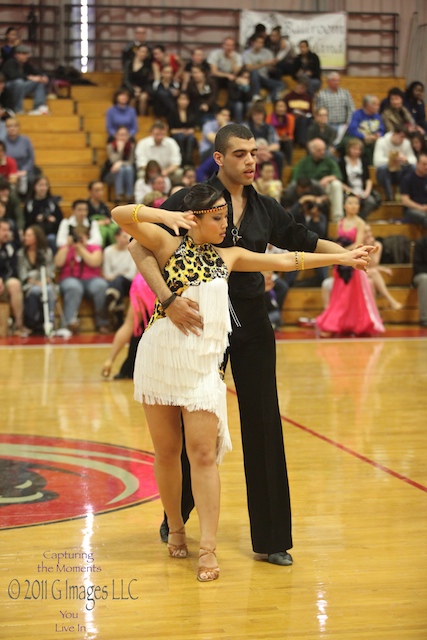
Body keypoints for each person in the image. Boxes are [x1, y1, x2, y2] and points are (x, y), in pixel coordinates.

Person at [125, 124, 375, 569]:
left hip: (251, 321)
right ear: (219, 159)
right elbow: (137, 245)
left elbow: (300, 245)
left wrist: (348, 252)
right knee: (189, 423)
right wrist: (168, 299)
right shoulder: (192, 199)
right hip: (196, 323)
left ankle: (272, 537)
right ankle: (176, 518)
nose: (250, 161)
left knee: (263, 421)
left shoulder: (267, 208)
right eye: (240, 153)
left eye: (254, 153)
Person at [316, 194, 384, 337]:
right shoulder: (340, 222)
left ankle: (357, 325)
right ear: (344, 206)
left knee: (353, 297)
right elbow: (337, 241)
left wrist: (342, 251)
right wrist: (339, 252)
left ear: (359, 207)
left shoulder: (360, 223)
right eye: (350, 203)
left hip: (353, 262)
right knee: (339, 296)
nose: (353, 205)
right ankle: (337, 324)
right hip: (340, 263)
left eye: (356, 203)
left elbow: (358, 244)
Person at [54, 224, 109, 334]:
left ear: (87, 237)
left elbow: (94, 262)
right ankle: (68, 323)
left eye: (81, 237)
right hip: (69, 278)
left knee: (101, 285)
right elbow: (58, 263)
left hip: (91, 279)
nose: (78, 239)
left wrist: (81, 248)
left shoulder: (94, 248)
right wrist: (67, 246)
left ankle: (102, 322)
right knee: (74, 286)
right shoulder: (66, 248)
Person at [101, 272, 156, 379]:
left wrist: (110, 359)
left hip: (142, 280)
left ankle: (109, 360)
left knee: (130, 324)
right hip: (163, 279)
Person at [291, 138, 344, 221]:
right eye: (319, 150)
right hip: (310, 190)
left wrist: (328, 178)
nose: (322, 152)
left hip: (325, 189)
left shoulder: (329, 161)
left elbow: (338, 175)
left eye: (323, 150)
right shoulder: (304, 162)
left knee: (336, 184)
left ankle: (338, 218)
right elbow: (296, 179)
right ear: (312, 150)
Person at [17, 224, 55, 333]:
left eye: (29, 235)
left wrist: (44, 282)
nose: (25, 238)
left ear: (37, 237)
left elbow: (50, 272)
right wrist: (36, 282)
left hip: (45, 282)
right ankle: (32, 322)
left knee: (48, 291)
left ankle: (50, 322)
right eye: (25, 235)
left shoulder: (46, 252)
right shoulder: (21, 254)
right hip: (30, 284)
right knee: (33, 291)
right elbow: (23, 275)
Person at [339, 137, 380, 219]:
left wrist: (366, 192)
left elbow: (368, 179)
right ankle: (347, 219)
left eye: (359, 149)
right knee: (347, 201)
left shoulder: (364, 161)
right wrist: (352, 193)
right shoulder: (342, 162)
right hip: (348, 191)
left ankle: (359, 219)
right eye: (354, 149)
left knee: (371, 201)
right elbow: (340, 182)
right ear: (348, 149)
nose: (357, 151)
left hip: (362, 191)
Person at [2, 44, 49, 115]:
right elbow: (13, 75)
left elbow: (36, 71)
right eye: (24, 54)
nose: (26, 56)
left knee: (38, 82)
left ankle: (39, 107)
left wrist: (42, 77)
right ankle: (17, 109)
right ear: (16, 54)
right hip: (8, 88)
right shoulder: (9, 63)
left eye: (27, 54)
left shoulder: (26, 64)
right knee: (18, 82)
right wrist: (28, 77)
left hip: (21, 87)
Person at [373, 126, 416, 202]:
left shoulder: (406, 143)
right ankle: (389, 196)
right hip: (386, 173)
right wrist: (391, 160)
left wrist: (406, 160)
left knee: (412, 167)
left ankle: (407, 194)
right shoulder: (381, 141)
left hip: (400, 172)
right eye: (401, 136)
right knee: (382, 168)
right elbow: (377, 161)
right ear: (394, 134)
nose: (402, 139)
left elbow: (414, 160)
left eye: (404, 137)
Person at [103, 227, 137, 319]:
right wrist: (118, 275)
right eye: (124, 237)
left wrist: (118, 276)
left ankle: (111, 298)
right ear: (116, 237)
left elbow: (131, 274)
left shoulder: (132, 250)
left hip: (128, 283)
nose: (127, 239)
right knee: (118, 284)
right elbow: (107, 273)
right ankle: (119, 317)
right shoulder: (108, 251)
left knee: (119, 280)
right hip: (113, 282)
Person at [0, 218, 27, 335]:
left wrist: (3, 279)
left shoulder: (10, 248)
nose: (7, 233)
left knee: (15, 284)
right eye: (3, 230)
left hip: (3, 284)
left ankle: (18, 325)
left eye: (8, 230)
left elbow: (12, 270)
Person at [23, 174, 63, 253]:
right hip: (34, 232)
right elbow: (26, 222)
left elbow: (60, 220)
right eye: (40, 185)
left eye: (45, 185)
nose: (43, 188)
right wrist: (36, 219)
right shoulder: (29, 204)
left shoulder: (52, 203)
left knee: (51, 239)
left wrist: (53, 220)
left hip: (50, 233)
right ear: (34, 187)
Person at [242, 36, 285, 102]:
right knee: (254, 72)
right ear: (253, 43)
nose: (260, 44)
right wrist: (264, 63)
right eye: (258, 42)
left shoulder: (267, 52)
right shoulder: (247, 54)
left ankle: (270, 98)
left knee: (281, 84)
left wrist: (273, 65)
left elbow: (271, 69)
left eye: (262, 43)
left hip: (265, 78)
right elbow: (249, 68)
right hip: (252, 79)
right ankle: (255, 96)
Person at [346, 95, 385, 163]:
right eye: (375, 104)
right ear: (367, 105)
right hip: (361, 140)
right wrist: (364, 136)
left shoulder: (377, 116)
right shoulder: (357, 114)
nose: (378, 107)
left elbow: (382, 130)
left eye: (378, 104)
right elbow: (352, 130)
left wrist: (379, 134)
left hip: (374, 140)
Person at [3, 116, 36, 195]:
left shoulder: (25, 140)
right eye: (9, 126)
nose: (12, 128)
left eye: (14, 126)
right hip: (8, 170)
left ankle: (27, 201)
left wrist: (24, 170)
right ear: (6, 128)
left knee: (32, 179)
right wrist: (12, 172)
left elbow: (31, 158)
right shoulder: (2, 142)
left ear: (18, 127)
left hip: (24, 170)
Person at [103, 126, 135, 203]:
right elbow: (113, 161)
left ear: (128, 136)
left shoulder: (131, 146)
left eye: (125, 135)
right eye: (120, 135)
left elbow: (131, 161)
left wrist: (120, 163)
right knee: (121, 169)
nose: (123, 137)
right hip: (111, 172)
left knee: (128, 168)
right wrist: (120, 150)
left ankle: (129, 195)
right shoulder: (110, 146)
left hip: (127, 170)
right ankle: (118, 195)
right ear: (116, 136)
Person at [167, 91, 198, 167]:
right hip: (176, 135)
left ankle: (189, 161)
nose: (184, 102)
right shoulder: (172, 112)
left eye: (186, 99)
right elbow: (171, 130)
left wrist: (191, 130)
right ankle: (181, 161)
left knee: (191, 138)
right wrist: (181, 131)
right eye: (181, 99)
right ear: (177, 100)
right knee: (180, 137)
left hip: (188, 135)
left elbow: (195, 127)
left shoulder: (191, 112)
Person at [122, 44, 153, 116]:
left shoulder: (147, 65)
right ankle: (129, 119)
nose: (143, 54)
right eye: (142, 51)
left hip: (142, 88)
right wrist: (133, 90)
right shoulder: (129, 63)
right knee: (133, 97)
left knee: (143, 97)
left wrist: (140, 90)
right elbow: (126, 79)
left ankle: (142, 118)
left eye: (145, 52)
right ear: (137, 52)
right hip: (129, 87)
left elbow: (147, 82)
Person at [400, 152, 427, 229]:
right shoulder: (407, 179)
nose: (426, 167)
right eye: (424, 164)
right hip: (412, 210)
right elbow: (405, 201)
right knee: (425, 218)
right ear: (417, 164)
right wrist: (421, 208)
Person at [266, 99, 295, 165]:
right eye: (279, 106)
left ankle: (288, 163)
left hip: (285, 140)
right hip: (273, 141)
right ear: (275, 108)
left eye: (283, 106)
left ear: (286, 108)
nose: (281, 109)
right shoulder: (269, 118)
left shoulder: (290, 118)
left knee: (288, 142)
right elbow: (269, 132)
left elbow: (290, 134)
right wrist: (279, 137)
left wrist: (282, 137)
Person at [413, 235, 427, 327]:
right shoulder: (420, 243)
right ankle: (425, 318)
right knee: (425, 279)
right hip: (421, 275)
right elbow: (417, 267)